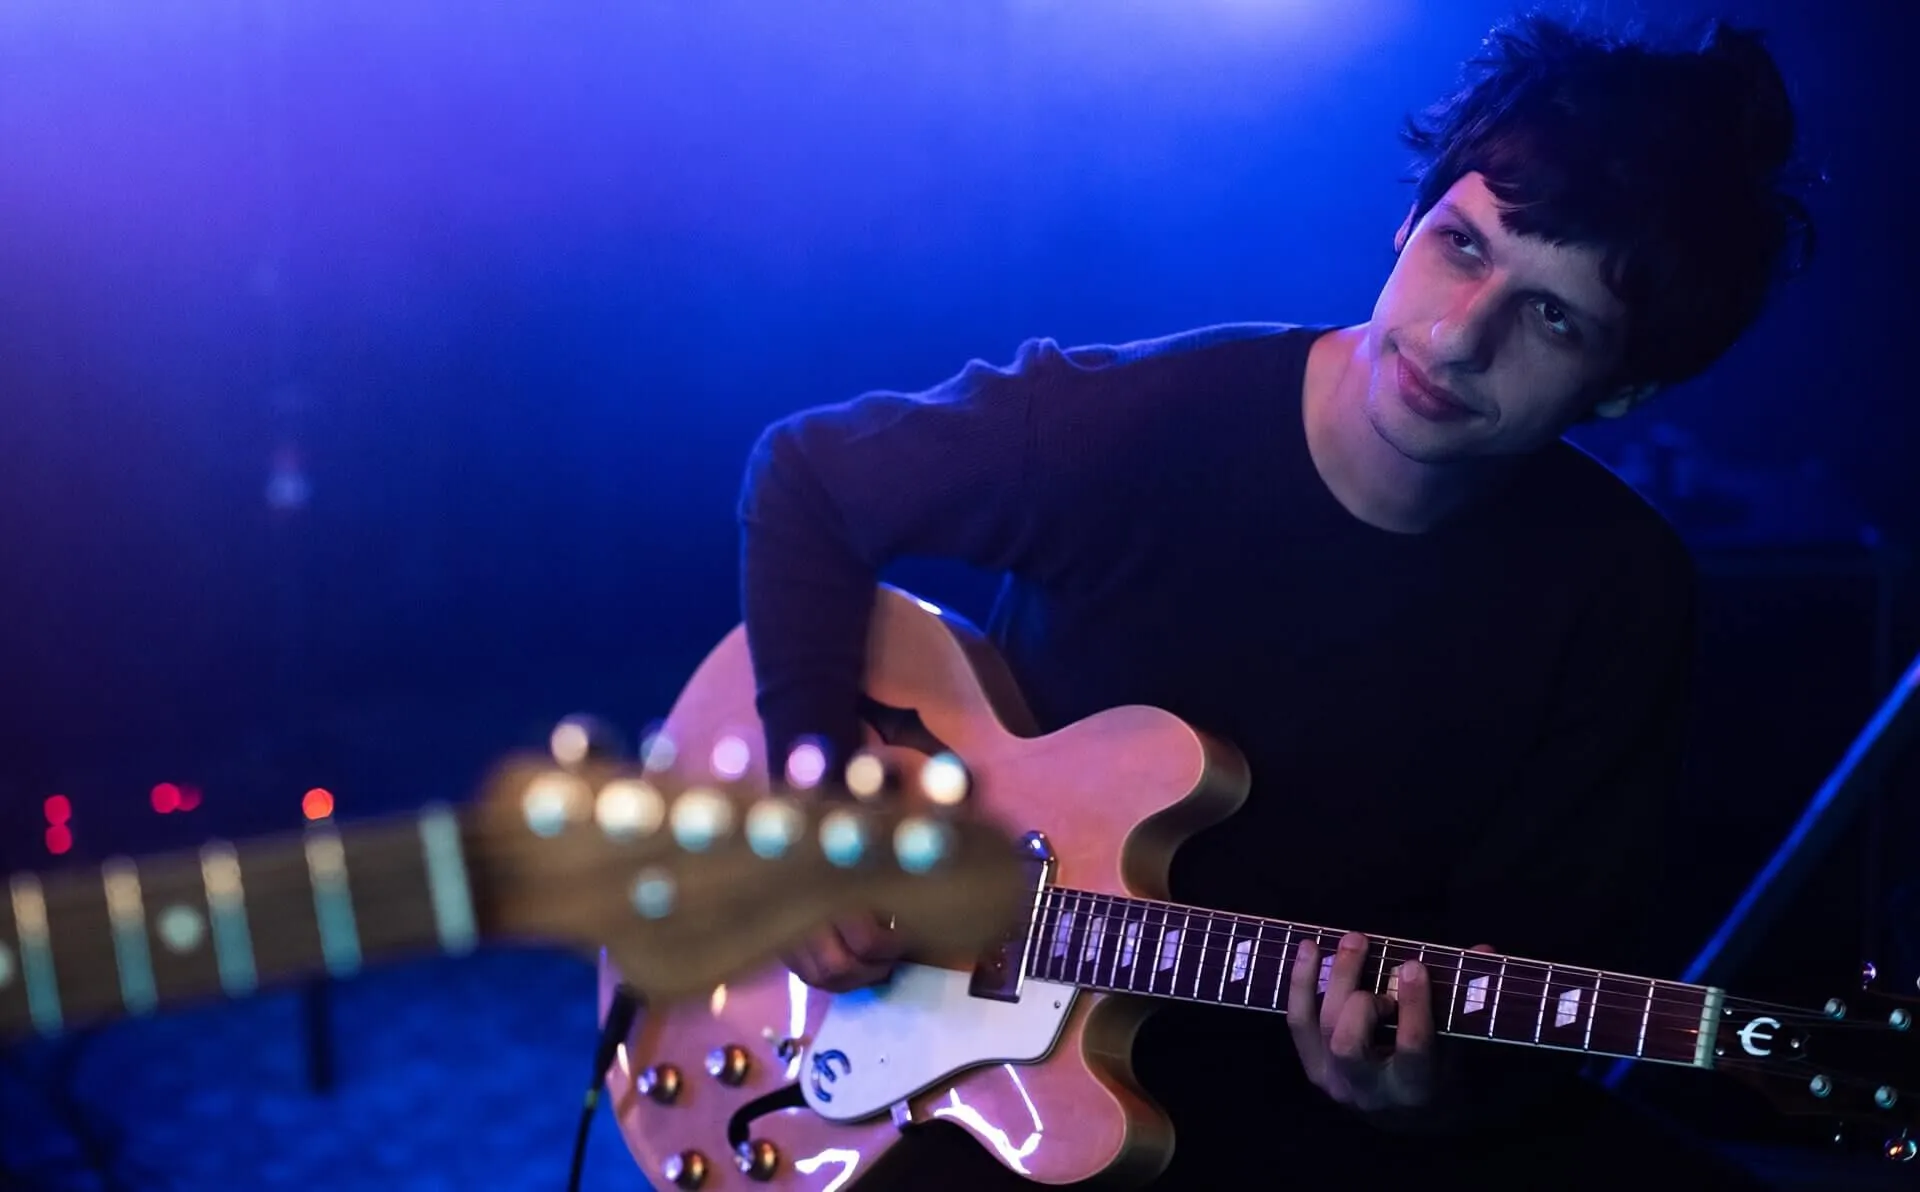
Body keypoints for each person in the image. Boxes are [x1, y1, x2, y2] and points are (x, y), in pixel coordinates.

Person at [734, 11, 1814, 1188]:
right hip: (976, 1070)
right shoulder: (1137, 431)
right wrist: (815, 807)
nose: (1458, 342)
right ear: (1405, 221)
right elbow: (806, 476)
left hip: (1295, 1106)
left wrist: (1426, 1093)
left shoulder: (1621, 594)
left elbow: (1538, 967)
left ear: (1628, 387)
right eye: (1462, 246)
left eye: (1554, 317)